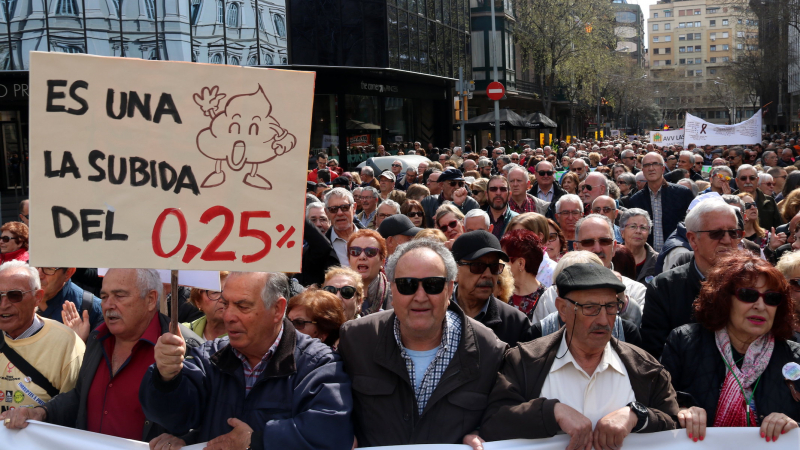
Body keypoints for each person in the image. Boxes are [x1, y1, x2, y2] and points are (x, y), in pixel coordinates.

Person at [140, 272, 353, 449]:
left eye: (243, 306)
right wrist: (166, 378)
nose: (228, 316)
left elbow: (331, 433)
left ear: (278, 310)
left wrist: (256, 442)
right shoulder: (211, 356)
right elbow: (176, 417)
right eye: (225, 304)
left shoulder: (318, 364)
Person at [478, 263, 679, 447]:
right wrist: (551, 412)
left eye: (610, 307)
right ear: (562, 309)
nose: (603, 320)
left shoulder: (644, 366)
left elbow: (674, 423)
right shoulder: (525, 361)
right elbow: (494, 423)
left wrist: (637, 414)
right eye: (590, 308)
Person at [338, 239, 507, 447]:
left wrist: (483, 431)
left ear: (449, 288)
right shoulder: (356, 339)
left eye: (432, 285)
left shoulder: (489, 349)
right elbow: (331, 406)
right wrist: (341, 430)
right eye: (407, 285)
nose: (420, 296)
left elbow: (504, 411)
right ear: (392, 288)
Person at [1, 269, 202, 443]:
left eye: (119, 295)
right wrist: (42, 412)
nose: (108, 305)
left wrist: (184, 439)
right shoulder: (98, 337)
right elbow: (80, 397)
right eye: (104, 297)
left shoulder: (183, 347)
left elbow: (201, 418)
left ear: (150, 299)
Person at [661, 252, 800, 442]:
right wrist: (682, 412)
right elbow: (659, 407)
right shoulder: (685, 342)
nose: (760, 305)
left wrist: (794, 426)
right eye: (748, 295)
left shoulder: (794, 355)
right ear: (724, 299)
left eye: (772, 298)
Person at [641, 199, 742, 358]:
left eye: (734, 232)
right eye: (717, 233)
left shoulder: (755, 284)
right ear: (693, 239)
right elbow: (654, 355)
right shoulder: (665, 288)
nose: (727, 240)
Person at [0, 261, 85, 413]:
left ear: (37, 297)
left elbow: (74, 410)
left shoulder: (67, 344)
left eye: (15, 296)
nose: (3, 304)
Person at [451, 231, 533, 347]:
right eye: (477, 266)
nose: (488, 274)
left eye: (494, 267)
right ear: (455, 271)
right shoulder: (436, 314)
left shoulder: (516, 323)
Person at [627, 153, 694, 252]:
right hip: (648, 258)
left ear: (662, 169)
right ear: (643, 171)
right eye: (646, 165)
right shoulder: (635, 200)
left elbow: (691, 226)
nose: (651, 168)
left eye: (655, 164)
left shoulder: (682, 193)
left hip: (677, 254)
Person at [500, 230, 546, 320]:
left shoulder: (546, 301)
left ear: (521, 263)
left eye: (503, 259)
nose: (499, 263)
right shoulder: (499, 294)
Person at [348, 229, 391, 316]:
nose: (362, 256)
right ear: (349, 260)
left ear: (382, 262)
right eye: (355, 251)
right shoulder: (337, 294)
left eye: (370, 252)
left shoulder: (395, 294)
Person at [183, 272, 229, 342]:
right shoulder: (184, 332)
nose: (223, 299)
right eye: (215, 292)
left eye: (228, 292)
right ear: (198, 302)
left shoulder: (247, 335)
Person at [736, 164, 784, 230]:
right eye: (743, 178)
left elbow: (778, 226)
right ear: (737, 181)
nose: (748, 181)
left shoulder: (769, 201)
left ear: (757, 180)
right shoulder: (729, 201)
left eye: (752, 178)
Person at [324, 188, 361, 267]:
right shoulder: (321, 248)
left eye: (345, 207)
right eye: (333, 209)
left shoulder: (373, 239)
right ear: (326, 213)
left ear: (354, 208)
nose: (340, 213)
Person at [619, 209, 658, 284]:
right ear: (622, 232)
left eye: (643, 228)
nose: (638, 231)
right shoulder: (612, 258)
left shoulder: (658, 261)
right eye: (633, 226)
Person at [485, 175, 519, 240]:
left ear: (509, 195)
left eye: (503, 189)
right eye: (493, 189)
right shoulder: (479, 220)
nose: (498, 193)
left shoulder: (518, 221)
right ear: (486, 195)